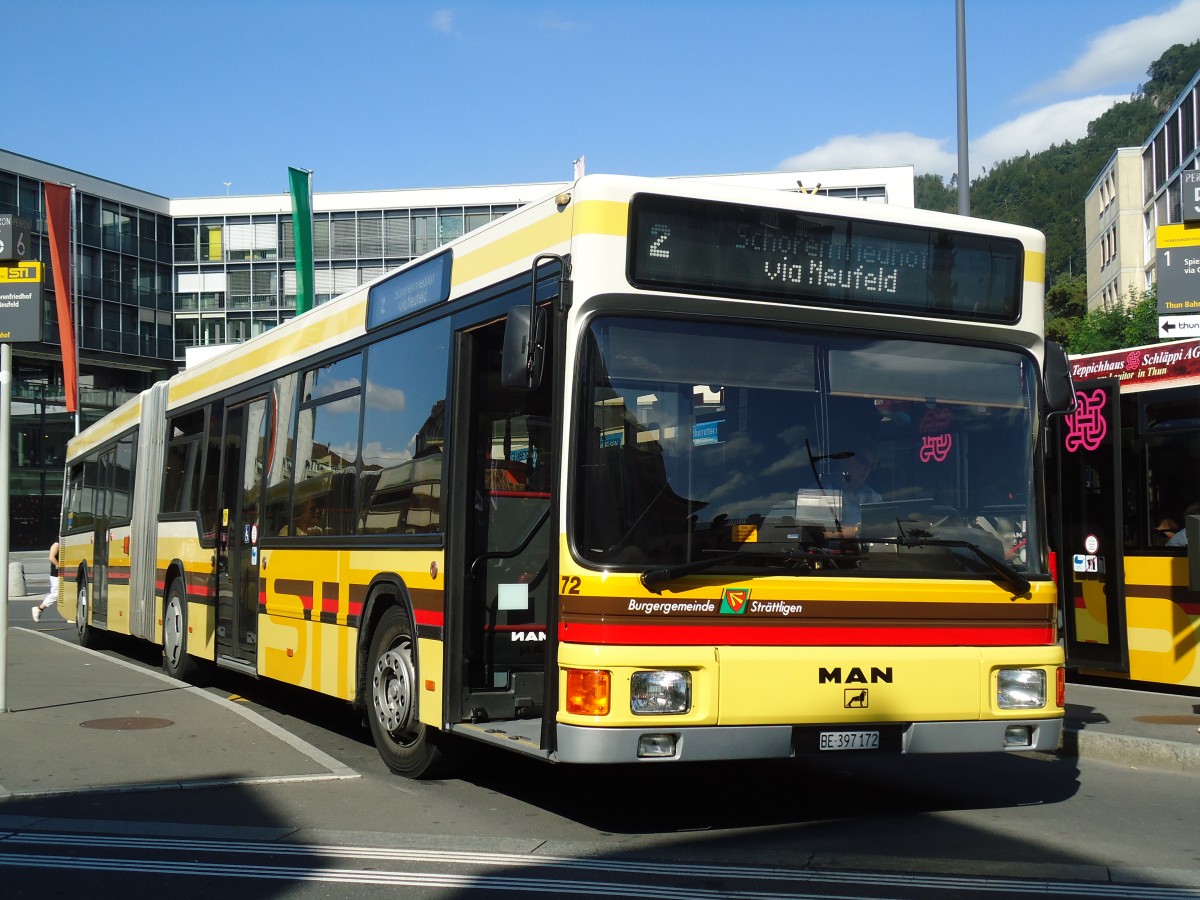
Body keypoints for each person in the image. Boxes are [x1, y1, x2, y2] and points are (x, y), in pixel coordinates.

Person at [31, 541, 59, 623]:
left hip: (63, 573)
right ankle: (39, 608)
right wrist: (58, 565)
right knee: (56, 593)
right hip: (56, 574)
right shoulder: (56, 544)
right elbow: (51, 557)